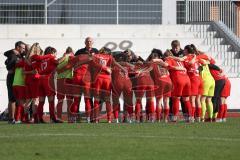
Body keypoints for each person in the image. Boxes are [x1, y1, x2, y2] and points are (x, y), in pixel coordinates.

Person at [72, 37, 98, 123]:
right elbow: (74, 62)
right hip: (86, 78)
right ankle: (78, 117)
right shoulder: (79, 52)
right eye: (87, 41)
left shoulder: (96, 51)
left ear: (93, 42)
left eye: (90, 41)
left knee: (90, 99)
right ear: (85, 42)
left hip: (92, 78)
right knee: (79, 99)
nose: (89, 42)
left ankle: (91, 117)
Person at [147, 49, 173, 122]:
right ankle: (165, 119)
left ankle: (158, 119)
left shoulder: (151, 63)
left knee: (159, 101)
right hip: (168, 81)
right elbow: (168, 73)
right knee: (166, 101)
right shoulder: (163, 62)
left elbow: (147, 71)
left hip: (160, 81)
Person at [4, 41, 26, 123]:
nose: (24, 49)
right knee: (12, 98)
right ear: (17, 47)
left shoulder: (20, 55)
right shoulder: (13, 55)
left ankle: (16, 118)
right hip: (12, 78)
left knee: (17, 99)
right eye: (22, 48)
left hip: (17, 78)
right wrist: (13, 67)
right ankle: (11, 118)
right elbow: (8, 66)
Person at [56, 47, 74, 121]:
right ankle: (70, 118)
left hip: (59, 80)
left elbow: (56, 68)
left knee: (60, 100)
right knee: (69, 100)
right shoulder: (71, 57)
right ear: (72, 52)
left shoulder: (60, 59)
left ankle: (59, 117)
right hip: (68, 79)